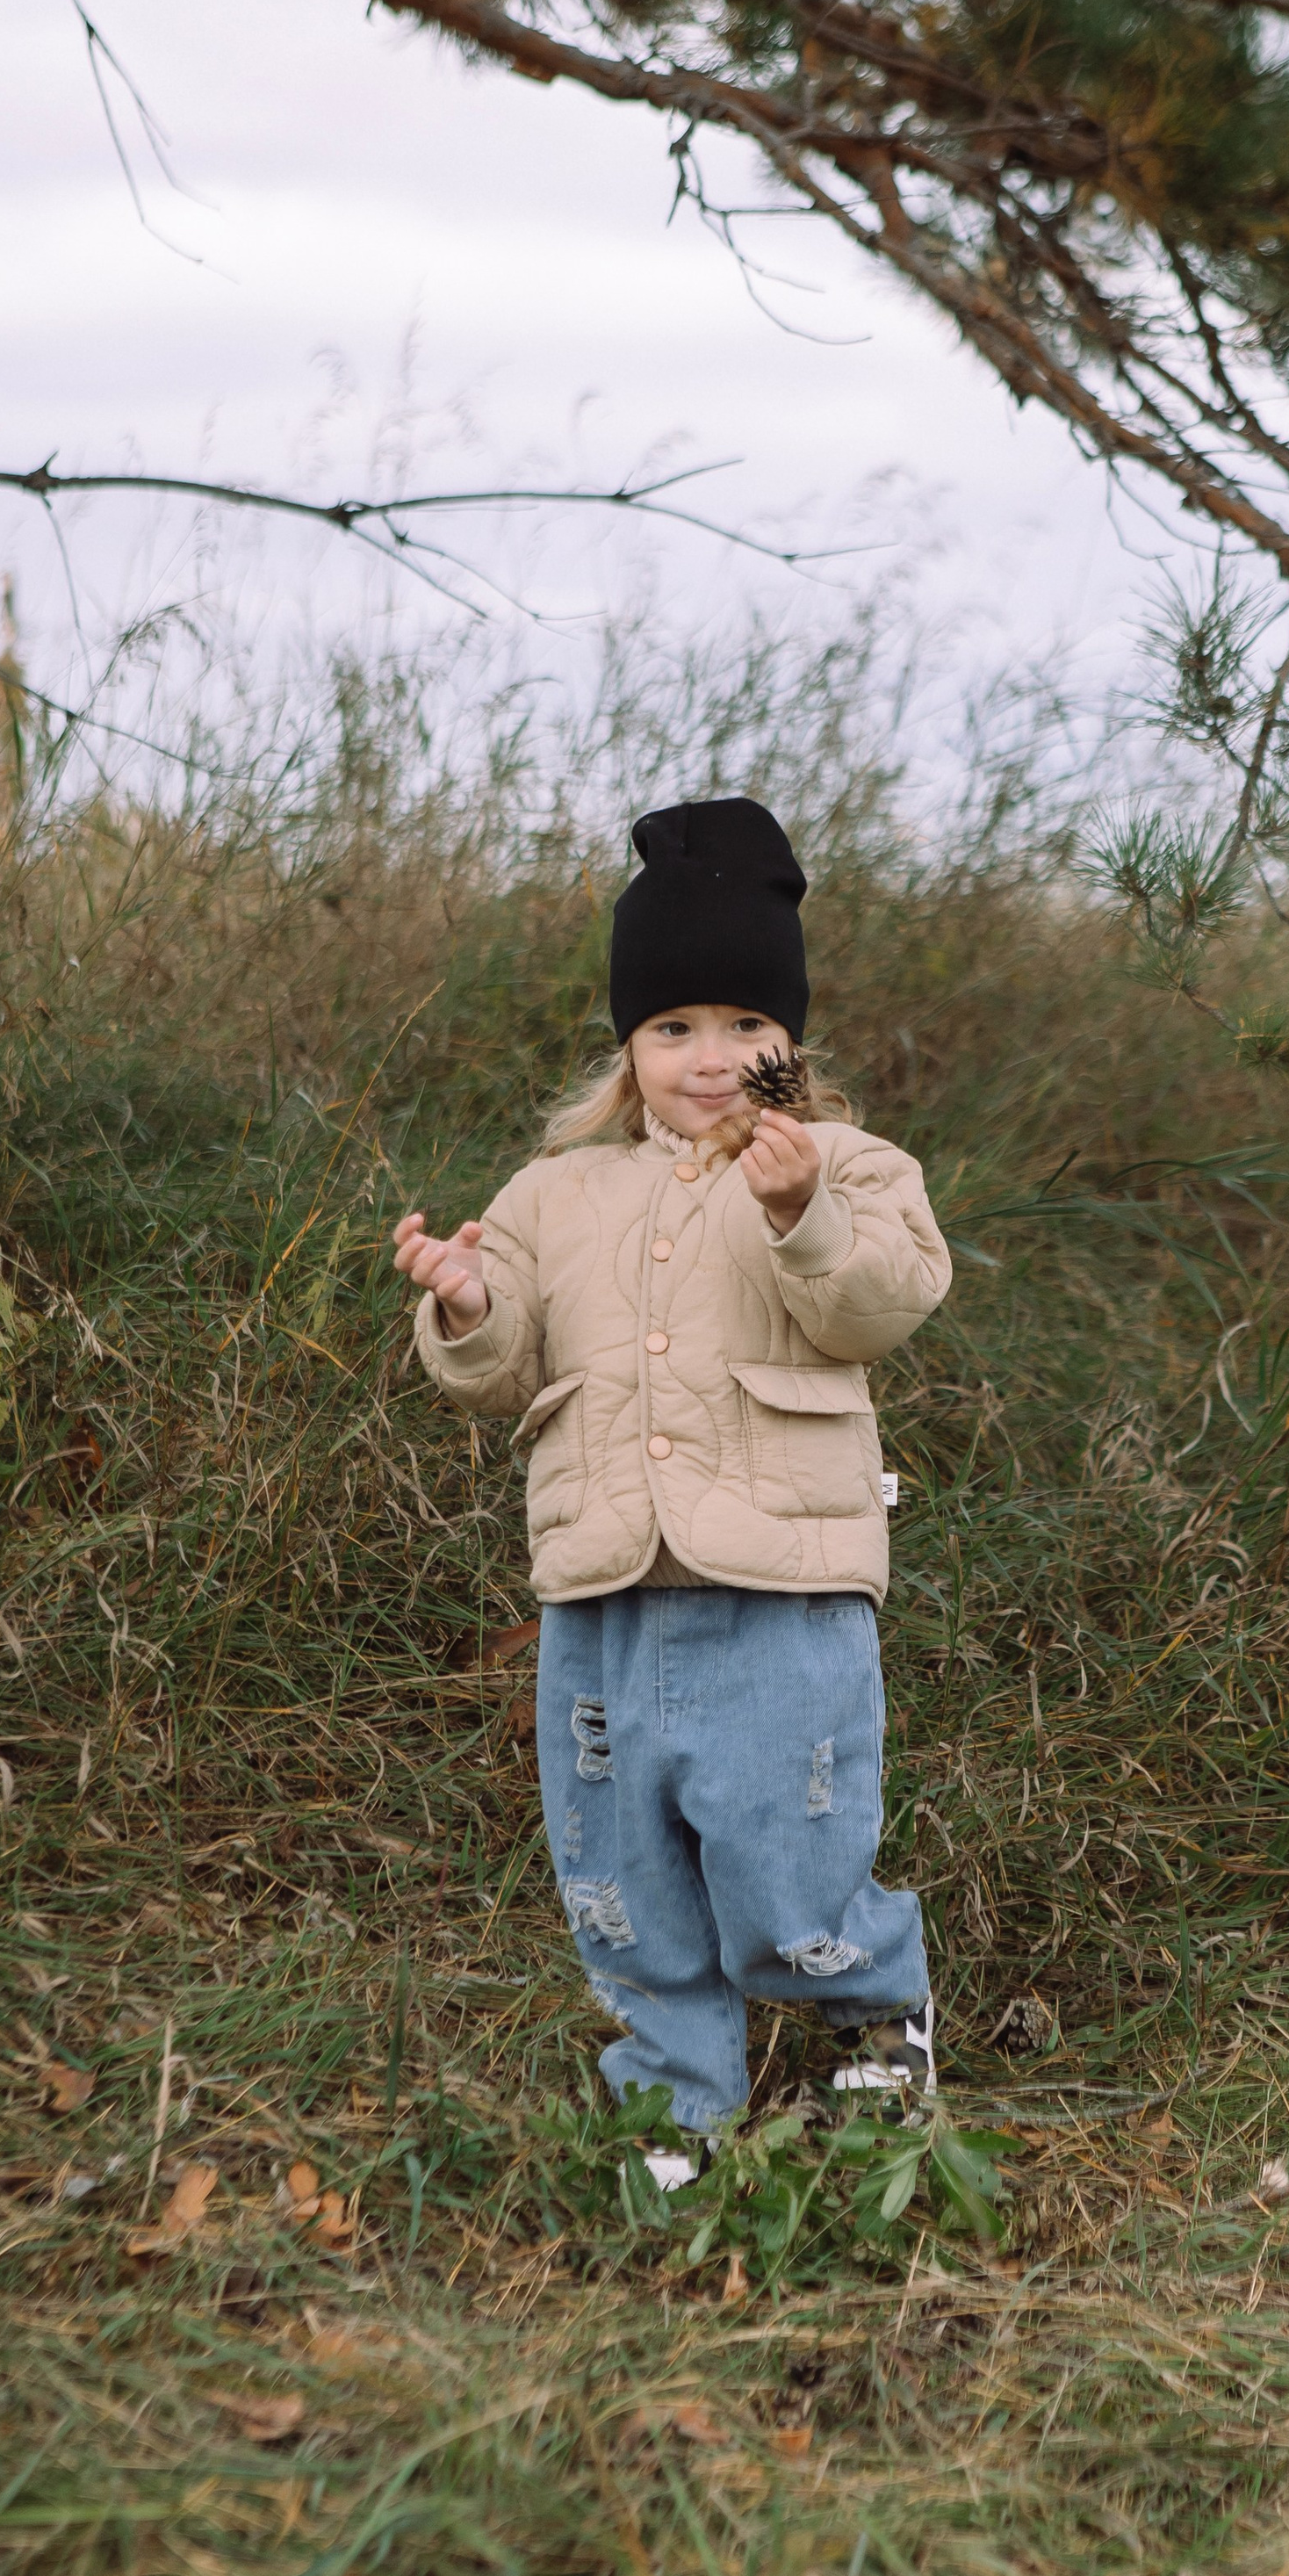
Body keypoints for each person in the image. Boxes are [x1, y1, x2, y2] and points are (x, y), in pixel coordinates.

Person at [392, 797, 952, 2189]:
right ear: (629, 1047)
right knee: (618, 1874)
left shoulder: (854, 1171)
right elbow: (496, 1366)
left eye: (746, 1028)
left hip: (784, 1587)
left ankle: (877, 2023)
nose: (713, 1059)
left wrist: (797, 1209)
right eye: (673, 1028)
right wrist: (465, 1305)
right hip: (603, 1593)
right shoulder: (554, 1192)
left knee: (786, 1854)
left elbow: (881, 1307)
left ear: (792, 1045)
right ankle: (673, 2106)